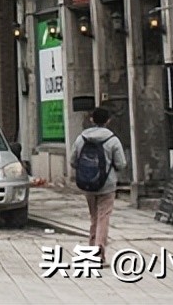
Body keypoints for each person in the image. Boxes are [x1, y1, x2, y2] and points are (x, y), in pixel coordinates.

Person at [69, 107, 127, 262]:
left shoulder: (81, 138)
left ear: (91, 120)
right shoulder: (112, 140)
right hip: (107, 185)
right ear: (108, 121)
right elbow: (121, 164)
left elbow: (73, 161)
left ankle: (91, 248)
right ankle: (99, 254)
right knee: (103, 218)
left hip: (87, 184)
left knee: (94, 217)